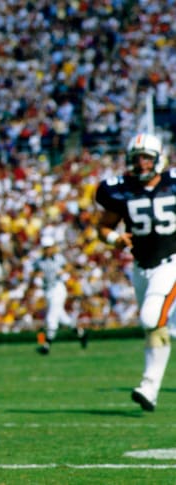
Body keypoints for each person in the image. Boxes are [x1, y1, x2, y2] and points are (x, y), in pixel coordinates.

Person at [95, 132, 176, 411]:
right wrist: (113, 239)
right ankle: (150, 390)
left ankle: (148, 385)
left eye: (147, 158)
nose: (141, 163)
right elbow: (103, 226)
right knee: (155, 328)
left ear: (159, 159)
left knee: (151, 318)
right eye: (137, 158)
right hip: (141, 267)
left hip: (171, 263)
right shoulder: (121, 190)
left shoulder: (173, 185)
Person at [33, 235, 87, 354]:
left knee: (51, 318)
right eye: (45, 248)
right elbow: (35, 273)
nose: (48, 250)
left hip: (58, 289)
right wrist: (38, 277)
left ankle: (46, 346)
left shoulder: (58, 258)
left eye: (49, 247)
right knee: (63, 319)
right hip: (47, 290)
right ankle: (81, 333)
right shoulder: (39, 261)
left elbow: (69, 267)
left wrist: (62, 272)